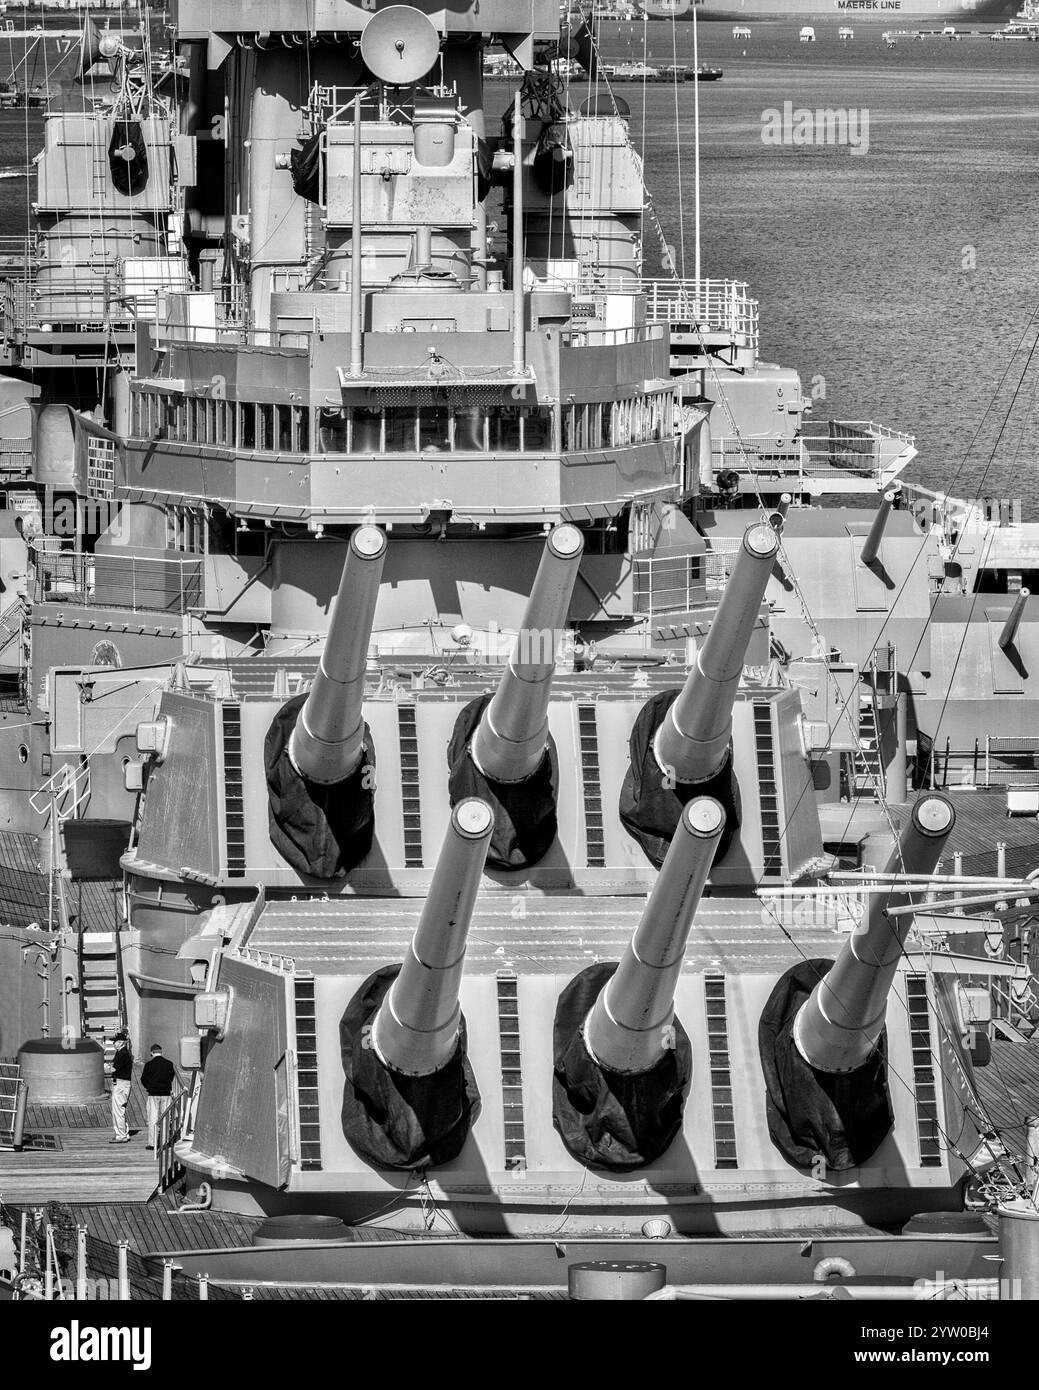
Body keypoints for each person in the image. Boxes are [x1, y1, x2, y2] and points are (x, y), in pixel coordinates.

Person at [140, 1043, 176, 1151]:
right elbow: (171, 1077)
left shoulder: (149, 1065)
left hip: (153, 1094)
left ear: (151, 1053)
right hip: (166, 1094)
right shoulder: (169, 1064)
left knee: (153, 1118)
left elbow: (143, 1079)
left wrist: (149, 1087)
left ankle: (152, 1143)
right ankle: (165, 1142)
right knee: (165, 1117)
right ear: (162, 1052)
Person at [108, 1031, 133, 1144]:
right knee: (119, 1110)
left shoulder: (123, 1054)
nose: (113, 1043)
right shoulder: (121, 1053)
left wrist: (103, 1067)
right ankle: (124, 1133)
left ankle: (121, 1135)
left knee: (118, 1110)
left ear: (121, 1042)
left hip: (121, 1084)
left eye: (115, 1041)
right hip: (121, 1083)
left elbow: (113, 1069)